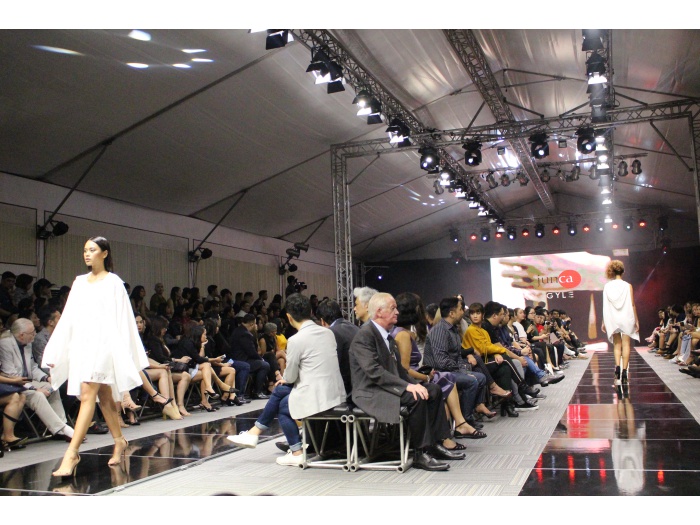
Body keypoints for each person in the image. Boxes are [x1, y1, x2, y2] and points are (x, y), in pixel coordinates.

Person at [41, 236, 150, 477]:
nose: (87, 254)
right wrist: (57, 349)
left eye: (92, 249)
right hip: (83, 344)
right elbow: (68, 317)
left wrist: (122, 352)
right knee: (104, 395)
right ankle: (119, 440)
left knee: (87, 393)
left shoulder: (114, 283)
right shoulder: (79, 282)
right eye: (85, 250)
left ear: (105, 253)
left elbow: (123, 320)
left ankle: (72, 453)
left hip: (105, 345)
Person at [349, 293, 465, 472]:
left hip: (386, 386)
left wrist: (416, 384)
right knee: (416, 397)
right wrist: (408, 386)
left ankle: (436, 443)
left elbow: (399, 371)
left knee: (433, 389)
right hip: (370, 391)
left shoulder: (386, 335)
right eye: (393, 308)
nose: (397, 312)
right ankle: (420, 452)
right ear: (379, 312)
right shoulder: (365, 335)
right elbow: (374, 372)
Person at [227, 293, 346, 466]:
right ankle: (256, 434)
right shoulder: (328, 333)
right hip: (335, 392)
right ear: (310, 312)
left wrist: (285, 379)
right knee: (282, 393)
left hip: (317, 396)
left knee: (282, 404)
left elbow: (290, 376)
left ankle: (276, 442)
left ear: (289, 317)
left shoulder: (296, 340)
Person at [0, 318, 76, 443]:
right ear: (21, 335)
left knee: (52, 387)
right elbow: (12, 375)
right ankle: (62, 429)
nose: (35, 334)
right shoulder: (6, 345)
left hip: (27, 380)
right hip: (15, 384)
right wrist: (35, 388)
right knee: (38, 395)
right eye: (32, 333)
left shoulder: (27, 342)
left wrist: (46, 378)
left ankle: (62, 426)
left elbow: (33, 367)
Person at [602, 260, 639, 386]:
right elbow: (632, 304)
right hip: (626, 317)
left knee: (617, 344)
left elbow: (605, 306)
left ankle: (617, 368)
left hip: (613, 318)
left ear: (611, 271)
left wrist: (604, 321)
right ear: (623, 271)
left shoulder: (607, 286)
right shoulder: (628, 286)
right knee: (626, 344)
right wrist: (636, 320)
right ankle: (624, 372)